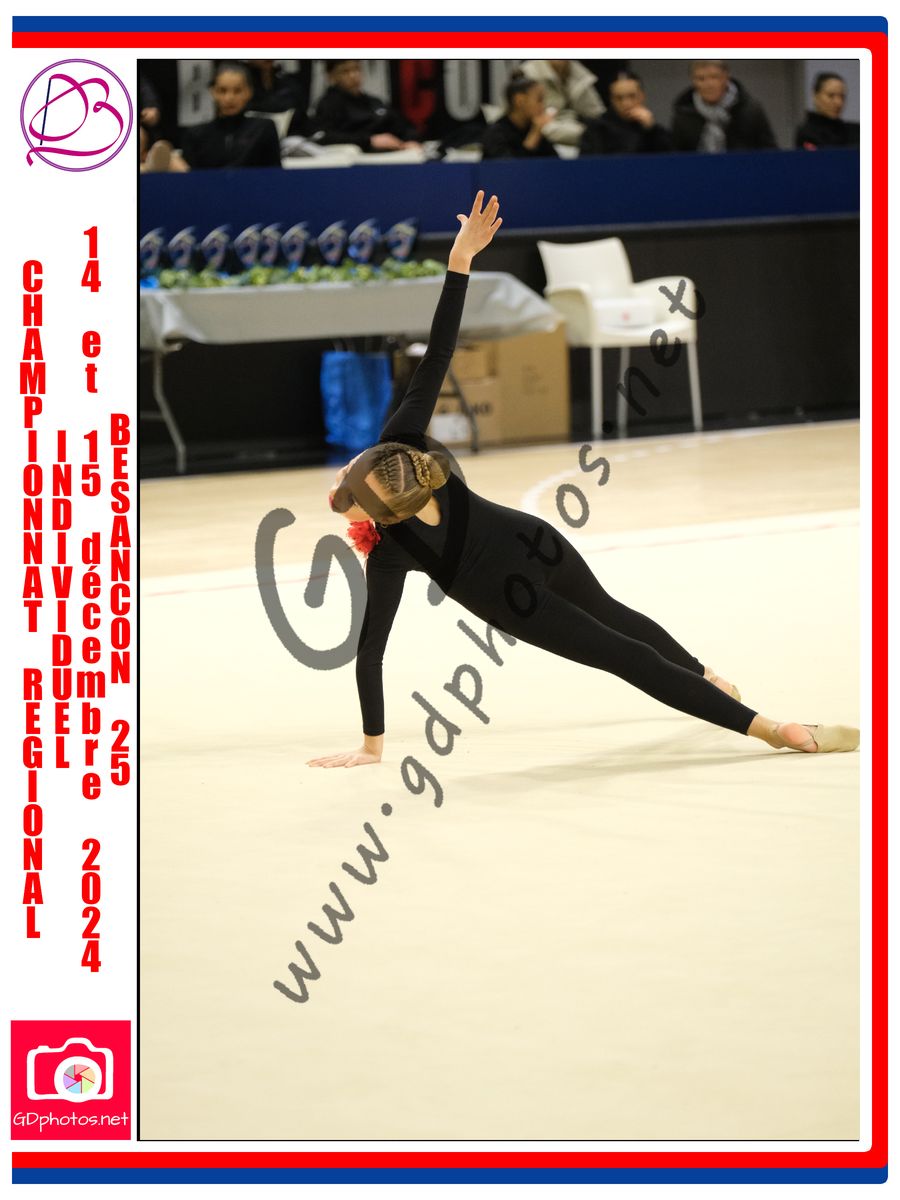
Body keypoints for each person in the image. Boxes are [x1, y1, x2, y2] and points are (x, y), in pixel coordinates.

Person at [308, 191, 859, 769]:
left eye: (347, 483)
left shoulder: (391, 550)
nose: (340, 484)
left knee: (623, 654)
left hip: (514, 599)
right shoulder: (405, 442)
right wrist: (459, 262)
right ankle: (709, 677)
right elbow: (437, 353)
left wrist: (371, 746)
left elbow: (371, 652)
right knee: (616, 616)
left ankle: (771, 729)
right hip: (535, 541)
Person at [178, 61, 282, 169]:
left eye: (237, 91)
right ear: (213, 92)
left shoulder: (263, 129)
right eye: (222, 91)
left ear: (249, 92)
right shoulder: (195, 135)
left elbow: (275, 174)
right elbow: (190, 177)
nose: (229, 98)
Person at [310, 60, 422, 152]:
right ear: (331, 76)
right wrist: (369, 140)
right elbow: (322, 136)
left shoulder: (375, 102)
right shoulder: (328, 104)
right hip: (356, 157)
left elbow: (403, 125)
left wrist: (411, 140)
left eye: (357, 69)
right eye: (345, 71)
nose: (353, 75)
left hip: (392, 154)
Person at [671, 61, 777, 152]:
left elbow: (770, 152)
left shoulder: (750, 111)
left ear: (726, 77)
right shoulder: (683, 115)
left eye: (714, 77)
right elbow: (675, 157)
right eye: (701, 79)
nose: (709, 84)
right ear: (693, 81)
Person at [580, 70, 673, 155]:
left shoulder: (654, 130)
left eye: (632, 96)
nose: (626, 103)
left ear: (642, 96)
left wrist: (651, 130)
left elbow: (671, 160)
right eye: (618, 98)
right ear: (611, 100)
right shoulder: (597, 129)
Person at [519, 59, 605, 146]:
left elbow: (596, 113)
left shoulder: (578, 71)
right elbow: (535, 122)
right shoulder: (529, 72)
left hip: (581, 132)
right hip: (543, 134)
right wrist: (590, 134)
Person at [481, 73, 560, 160]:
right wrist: (534, 135)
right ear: (520, 101)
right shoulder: (495, 134)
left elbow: (557, 164)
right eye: (539, 100)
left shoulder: (531, 128)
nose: (543, 106)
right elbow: (511, 167)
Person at [795, 73, 860, 149]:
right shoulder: (807, 134)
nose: (838, 102)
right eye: (831, 96)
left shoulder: (855, 131)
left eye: (842, 96)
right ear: (815, 96)